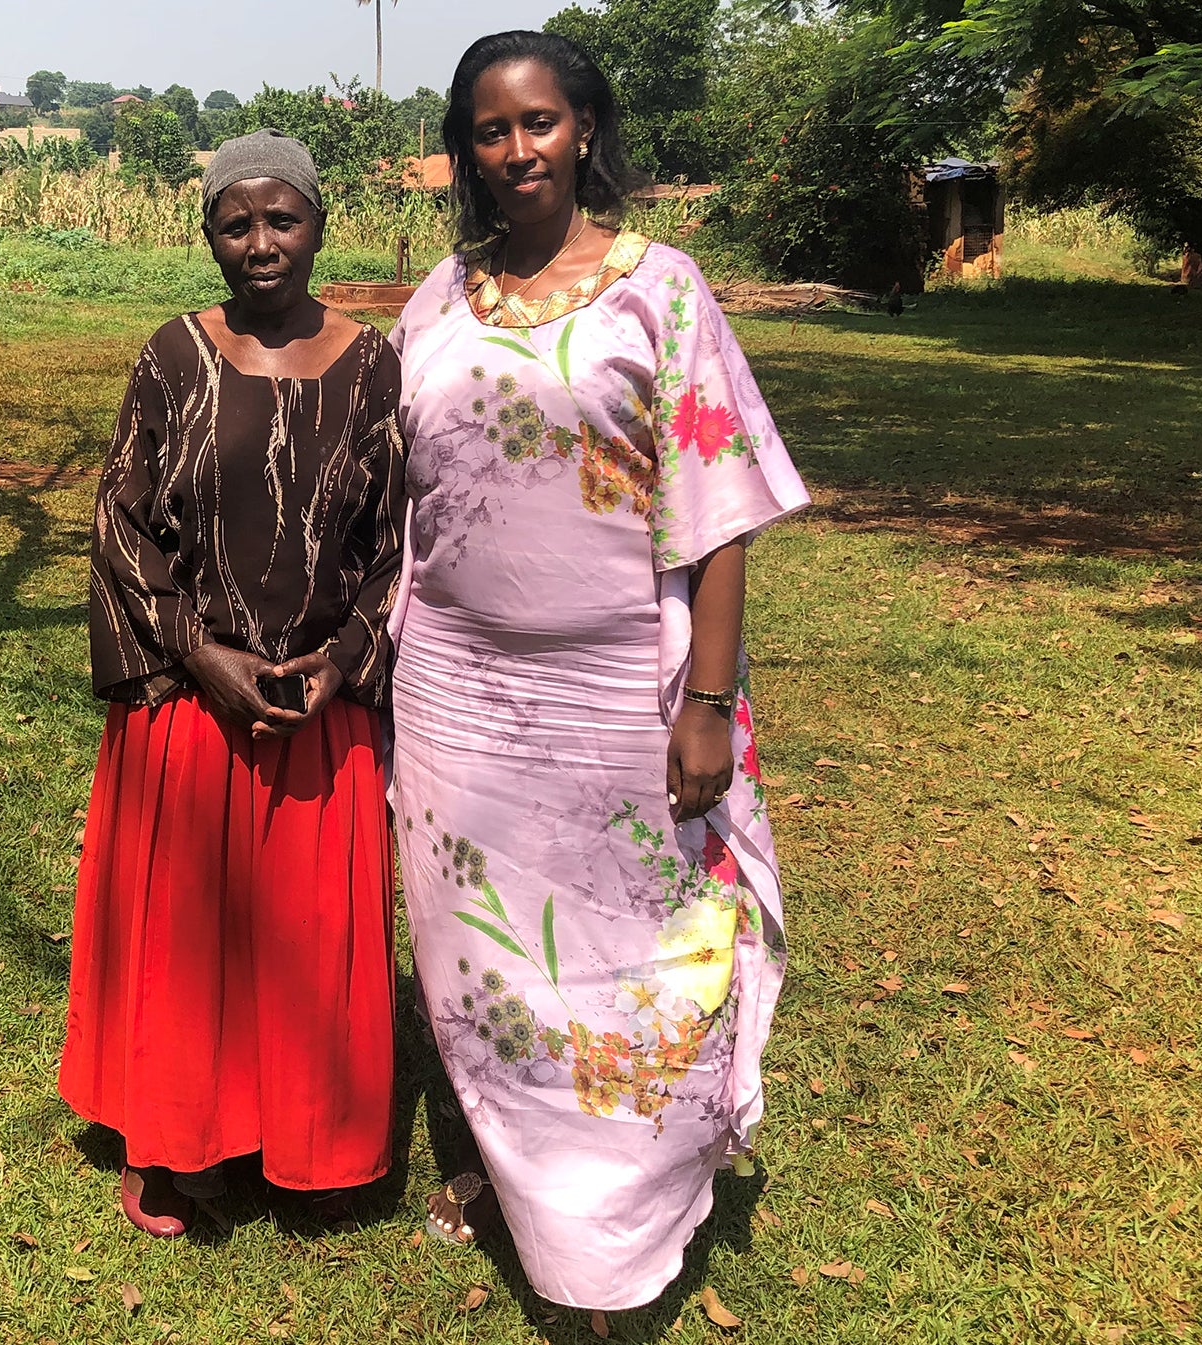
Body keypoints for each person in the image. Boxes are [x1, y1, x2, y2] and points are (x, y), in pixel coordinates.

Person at [386, 31, 810, 1319]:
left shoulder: (660, 290)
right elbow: (389, 482)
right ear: (464, 149)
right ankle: (503, 1168)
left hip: (616, 695)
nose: (514, 150)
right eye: (488, 129)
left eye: (538, 123)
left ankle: (620, 1211)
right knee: (481, 964)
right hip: (453, 698)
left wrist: (706, 705)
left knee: (642, 953)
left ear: (582, 130)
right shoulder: (437, 297)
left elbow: (718, 508)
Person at [58, 130, 407, 1237]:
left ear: (317, 221)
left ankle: (301, 1136)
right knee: (189, 937)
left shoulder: (373, 363)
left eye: (281, 219)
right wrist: (203, 656)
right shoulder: (172, 355)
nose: (260, 244)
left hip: (315, 704)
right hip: (193, 703)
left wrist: (342, 655)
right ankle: (171, 1140)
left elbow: (399, 540)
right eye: (233, 223)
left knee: (298, 943)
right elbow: (120, 520)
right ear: (208, 233)